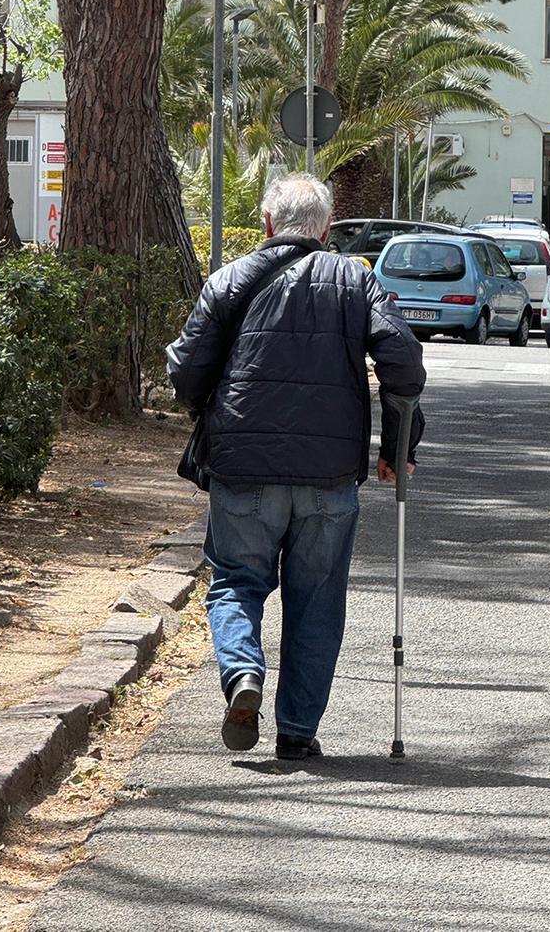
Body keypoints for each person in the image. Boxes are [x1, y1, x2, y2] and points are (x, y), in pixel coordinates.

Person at [166, 173, 426, 761]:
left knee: (235, 579)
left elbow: (185, 378)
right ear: (327, 228)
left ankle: (242, 676)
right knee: (318, 599)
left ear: (267, 225)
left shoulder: (229, 280)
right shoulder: (356, 282)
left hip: (243, 470)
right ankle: (297, 731)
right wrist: (397, 448)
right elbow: (404, 364)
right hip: (329, 475)